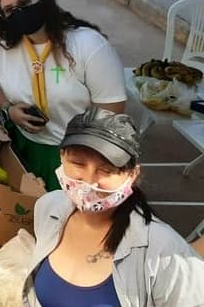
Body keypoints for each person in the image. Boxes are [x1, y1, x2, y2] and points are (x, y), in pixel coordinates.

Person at [24, 107, 204, 306]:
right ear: (62, 157)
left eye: (106, 170)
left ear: (132, 175)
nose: (89, 181)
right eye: (78, 163)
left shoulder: (162, 251)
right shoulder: (48, 208)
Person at [0, 0, 126, 190]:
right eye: (9, 10)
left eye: (25, 3)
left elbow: (112, 108)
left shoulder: (88, 45)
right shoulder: (2, 45)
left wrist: (80, 154)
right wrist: (8, 109)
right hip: (21, 147)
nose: (19, 12)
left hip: (76, 156)